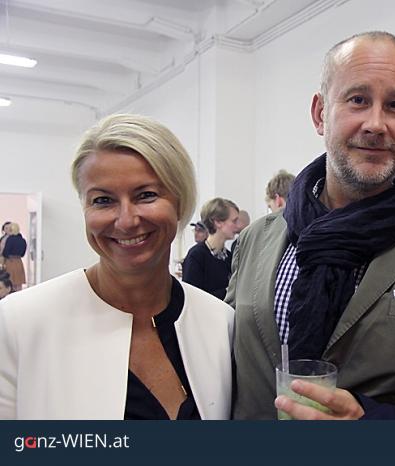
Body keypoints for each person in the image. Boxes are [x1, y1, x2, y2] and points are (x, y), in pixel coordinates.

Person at [225, 31, 395, 420]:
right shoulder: (253, 242)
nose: (375, 124)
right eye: (358, 100)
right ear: (320, 113)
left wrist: (371, 424)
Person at [0, 114, 234, 419]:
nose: (126, 221)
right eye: (102, 200)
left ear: (180, 202)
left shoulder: (219, 323)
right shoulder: (19, 324)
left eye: (146, 195)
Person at [182, 198, 238, 300]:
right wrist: (229, 291)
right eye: (234, 221)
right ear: (218, 222)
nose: (237, 226)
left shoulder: (229, 257)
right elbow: (192, 298)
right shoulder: (196, 256)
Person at [1, 223, 27, 291]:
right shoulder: (23, 240)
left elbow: (5, 252)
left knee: (10, 281)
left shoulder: (10, 239)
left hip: (10, 261)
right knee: (19, 282)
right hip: (19, 261)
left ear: (11, 230)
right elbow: (23, 254)